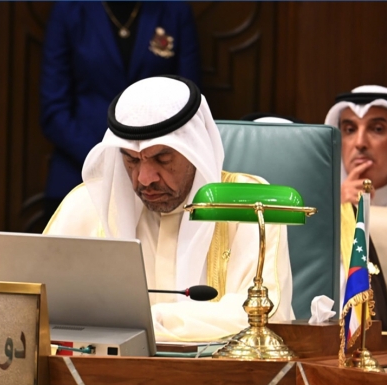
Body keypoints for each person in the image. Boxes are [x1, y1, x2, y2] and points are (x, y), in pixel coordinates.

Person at [44, 76, 293, 342]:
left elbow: (262, 315)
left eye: (162, 159)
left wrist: (149, 322)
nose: (144, 178)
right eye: (131, 161)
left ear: (197, 150)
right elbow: (41, 304)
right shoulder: (87, 205)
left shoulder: (248, 204)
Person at [40, 2, 201, 220]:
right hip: (79, 165)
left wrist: (143, 156)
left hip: (157, 170)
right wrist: (110, 156)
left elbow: (189, 102)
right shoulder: (69, 9)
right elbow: (54, 111)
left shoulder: (174, 9)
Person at [324, 85, 387, 330]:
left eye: (377, 129)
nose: (360, 143)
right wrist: (335, 208)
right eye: (349, 130)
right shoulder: (322, 208)